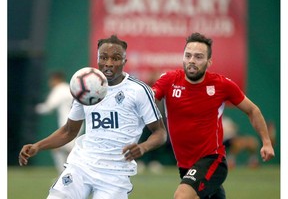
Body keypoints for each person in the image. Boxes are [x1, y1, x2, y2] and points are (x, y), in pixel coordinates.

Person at [19, 35, 167, 199]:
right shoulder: (85, 85)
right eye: (103, 57)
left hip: (115, 173)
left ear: (124, 61)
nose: (109, 63)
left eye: (116, 58)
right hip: (82, 165)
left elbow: (160, 132)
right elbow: (69, 131)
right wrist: (38, 146)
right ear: (97, 58)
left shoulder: (138, 90)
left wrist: (143, 147)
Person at [152, 32, 275, 199]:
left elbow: (253, 110)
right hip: (185, 165)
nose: (192, 61)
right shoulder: (169, 80)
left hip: (212, 160)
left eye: (198, 57)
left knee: (182, 196)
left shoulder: (222, 85)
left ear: (209, 61)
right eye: (188, 55)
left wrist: (266, 143)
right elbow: (148, 100)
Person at [35, 71, 81, 174]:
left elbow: (49, 107)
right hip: (78, 123)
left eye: (50, 80)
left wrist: (36, 109)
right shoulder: (70, 88)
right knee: (63, 150)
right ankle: (66, 176)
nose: (49, 82)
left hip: (67, 125)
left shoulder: (59, 89)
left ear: (56, 79)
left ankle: (69, 176)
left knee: (69, 150)